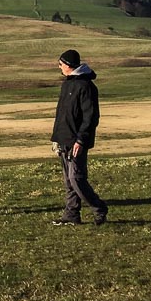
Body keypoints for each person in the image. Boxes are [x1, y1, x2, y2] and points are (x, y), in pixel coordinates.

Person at [51, 49, 109, 225]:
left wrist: (81, 140)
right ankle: (71, 214)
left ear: (68, 65)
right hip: (64, 139)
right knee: (68, 181)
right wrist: (56, 138)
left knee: (76, 179)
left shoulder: (86, 87)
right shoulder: (67, 85)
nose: (59, 67)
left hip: (76, 141)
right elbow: (62, 114)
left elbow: (90, 117)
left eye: (61, 64)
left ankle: (99, 208)